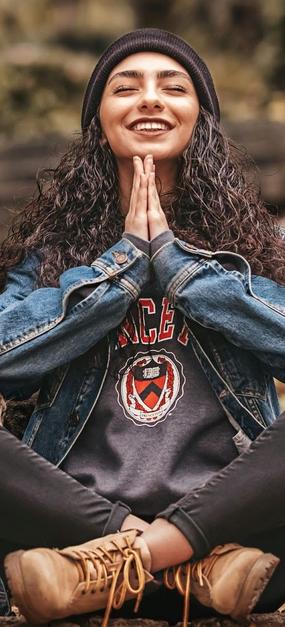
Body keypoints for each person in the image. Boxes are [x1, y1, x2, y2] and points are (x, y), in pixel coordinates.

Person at [1, 27, 285, 626]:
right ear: (99, 120)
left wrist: (181, 270)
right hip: (72, 533)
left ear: (199, 117)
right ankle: (170, 562)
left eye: (173, 87)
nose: (150, 99)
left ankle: (139, 559)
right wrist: (124, 265)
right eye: (125, 87)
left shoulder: (265, 250)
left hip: (233, 532)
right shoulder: (48, 256)